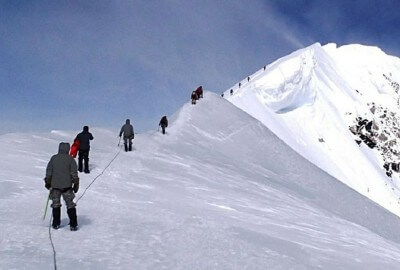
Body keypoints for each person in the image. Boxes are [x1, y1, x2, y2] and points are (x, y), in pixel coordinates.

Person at [45, 142, 80, 231]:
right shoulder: (70, 159)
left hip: (55, 186)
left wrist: (48, 182)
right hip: (67, 186)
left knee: (56, 204)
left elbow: (49, 171)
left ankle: (56, 223)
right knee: (70, 205)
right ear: (68, 149)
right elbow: (74, 173)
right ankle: (73, 224)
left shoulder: (54, 158)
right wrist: (76, 183)